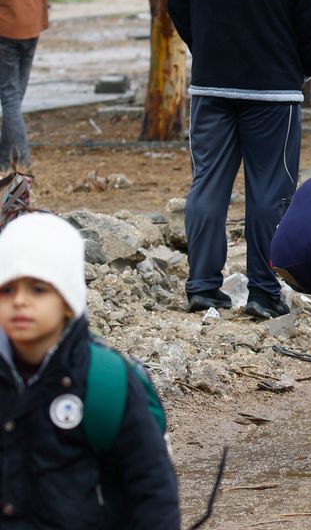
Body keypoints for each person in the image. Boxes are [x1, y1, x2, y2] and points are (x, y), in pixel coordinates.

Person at [168, 0, 311, 318]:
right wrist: (301, 67)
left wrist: (204, 50)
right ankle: (263, 290)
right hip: (273, 93)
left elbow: (178, 4)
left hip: (210, 89)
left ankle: (202, 285)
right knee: (270, 190)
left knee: (207, 185)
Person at [0, 213, 180, 529]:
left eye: (38, 290)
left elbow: (152, 487)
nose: (20, 302)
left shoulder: (106, 381)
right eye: (7, 291)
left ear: (69, 299)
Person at [0, 0, 47, 174]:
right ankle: (7, 160)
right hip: (32, 24)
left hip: (6, 27)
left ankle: (22, 164)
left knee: (10, 97)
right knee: (14, 97)